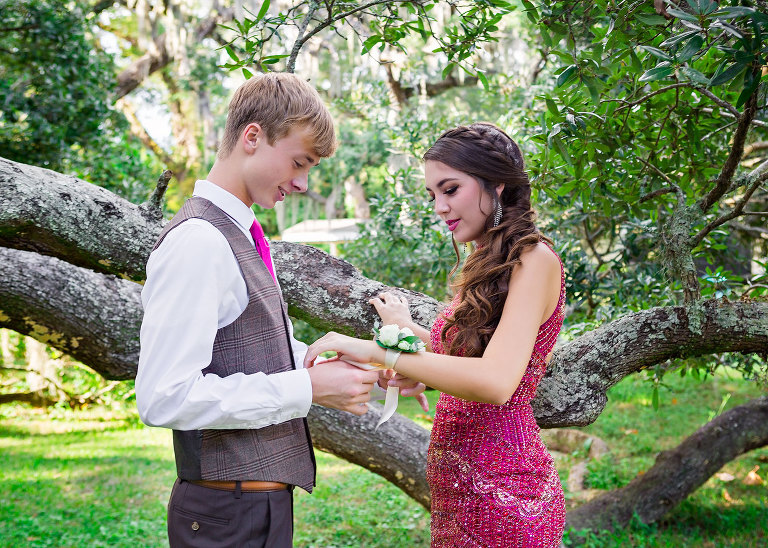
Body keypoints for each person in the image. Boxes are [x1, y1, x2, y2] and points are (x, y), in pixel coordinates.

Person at [136, 72, 394, 547]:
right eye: (299, 162)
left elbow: (254, 347)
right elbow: (164, 397)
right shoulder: (198, 241)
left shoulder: (242, 234)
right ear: (252, 137)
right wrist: (307, 387)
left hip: (257, 510)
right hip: (225, 517)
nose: (302, 183)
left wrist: (343, 367)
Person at [304, 122, 567, 547]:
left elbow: (497, 381)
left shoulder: (534, 260)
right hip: (460, 494)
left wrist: (376, 350)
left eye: (450, 189)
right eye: (432, 195)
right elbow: (471, 356)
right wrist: (408, 333)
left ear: (497, 184)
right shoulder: (489, 260)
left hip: (506, 498)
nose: (440, 207)